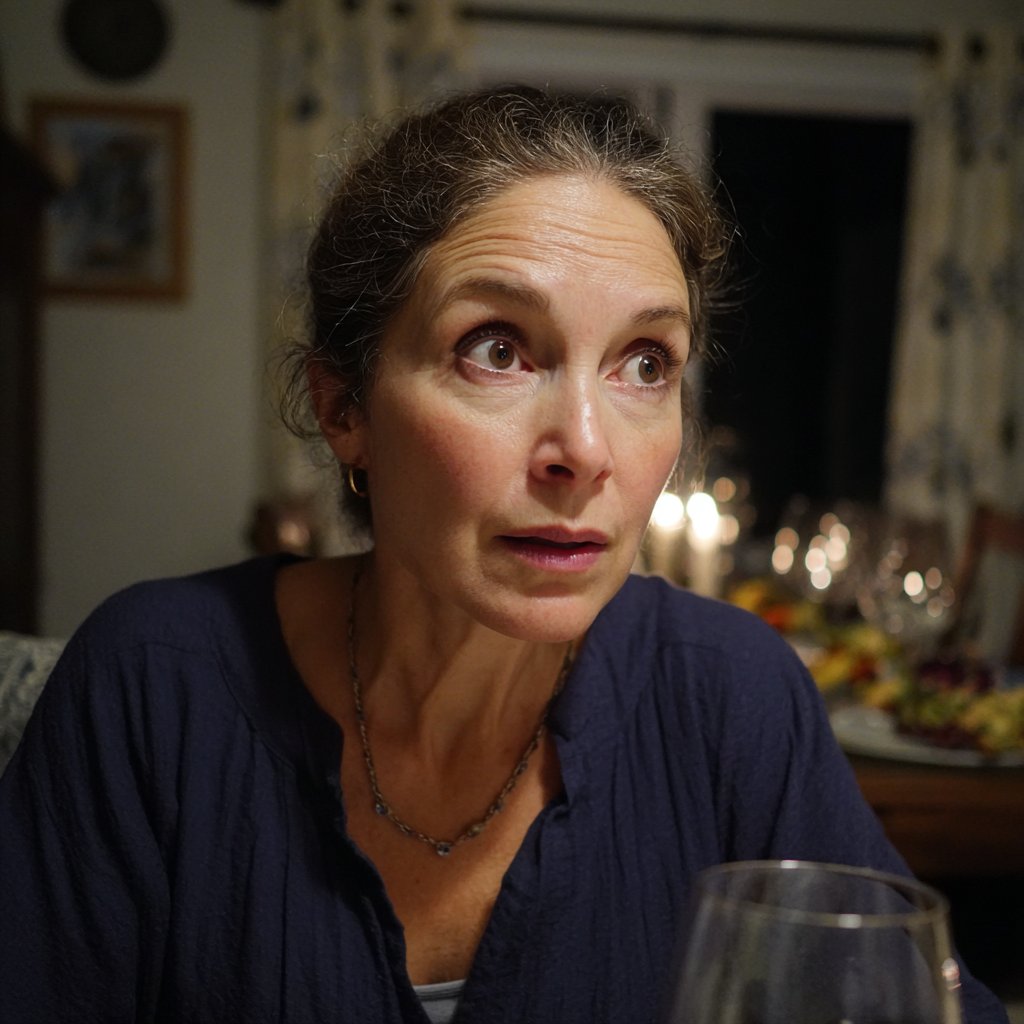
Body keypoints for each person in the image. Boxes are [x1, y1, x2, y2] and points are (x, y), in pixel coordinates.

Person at [0, 86, 1008, 1024]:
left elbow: (912, 995)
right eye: (497, 349)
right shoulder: (151, 685)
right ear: (343, 407)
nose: (587, 449)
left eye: (644, 363)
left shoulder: (730, 694)